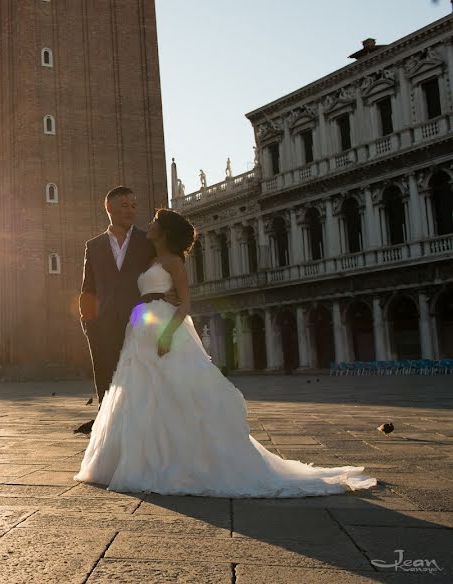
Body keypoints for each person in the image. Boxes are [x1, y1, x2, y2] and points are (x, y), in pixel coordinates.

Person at [75, 208, 378, 497]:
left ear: (164, 231)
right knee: (141, 393)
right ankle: (142, 457)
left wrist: (167, 333)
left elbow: (185, 304)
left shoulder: (174, 263)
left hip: (163, 328)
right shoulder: (150, 256)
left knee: (170, 391)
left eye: (155, 220)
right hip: (140, 329)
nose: (148, 223)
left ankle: (171, 460)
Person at [79, 187, 179, 404]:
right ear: (109, 207)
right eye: (124, 205)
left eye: (133, 206)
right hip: (102, 326)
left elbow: (169, 267)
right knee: (107, 387)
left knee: (139, 387)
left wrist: (174, 293)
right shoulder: (93, 246)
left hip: (140, 323)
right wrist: (89, 325)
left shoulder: (148, 241)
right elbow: (88, 289)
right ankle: (110, 434)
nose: (130, 211)